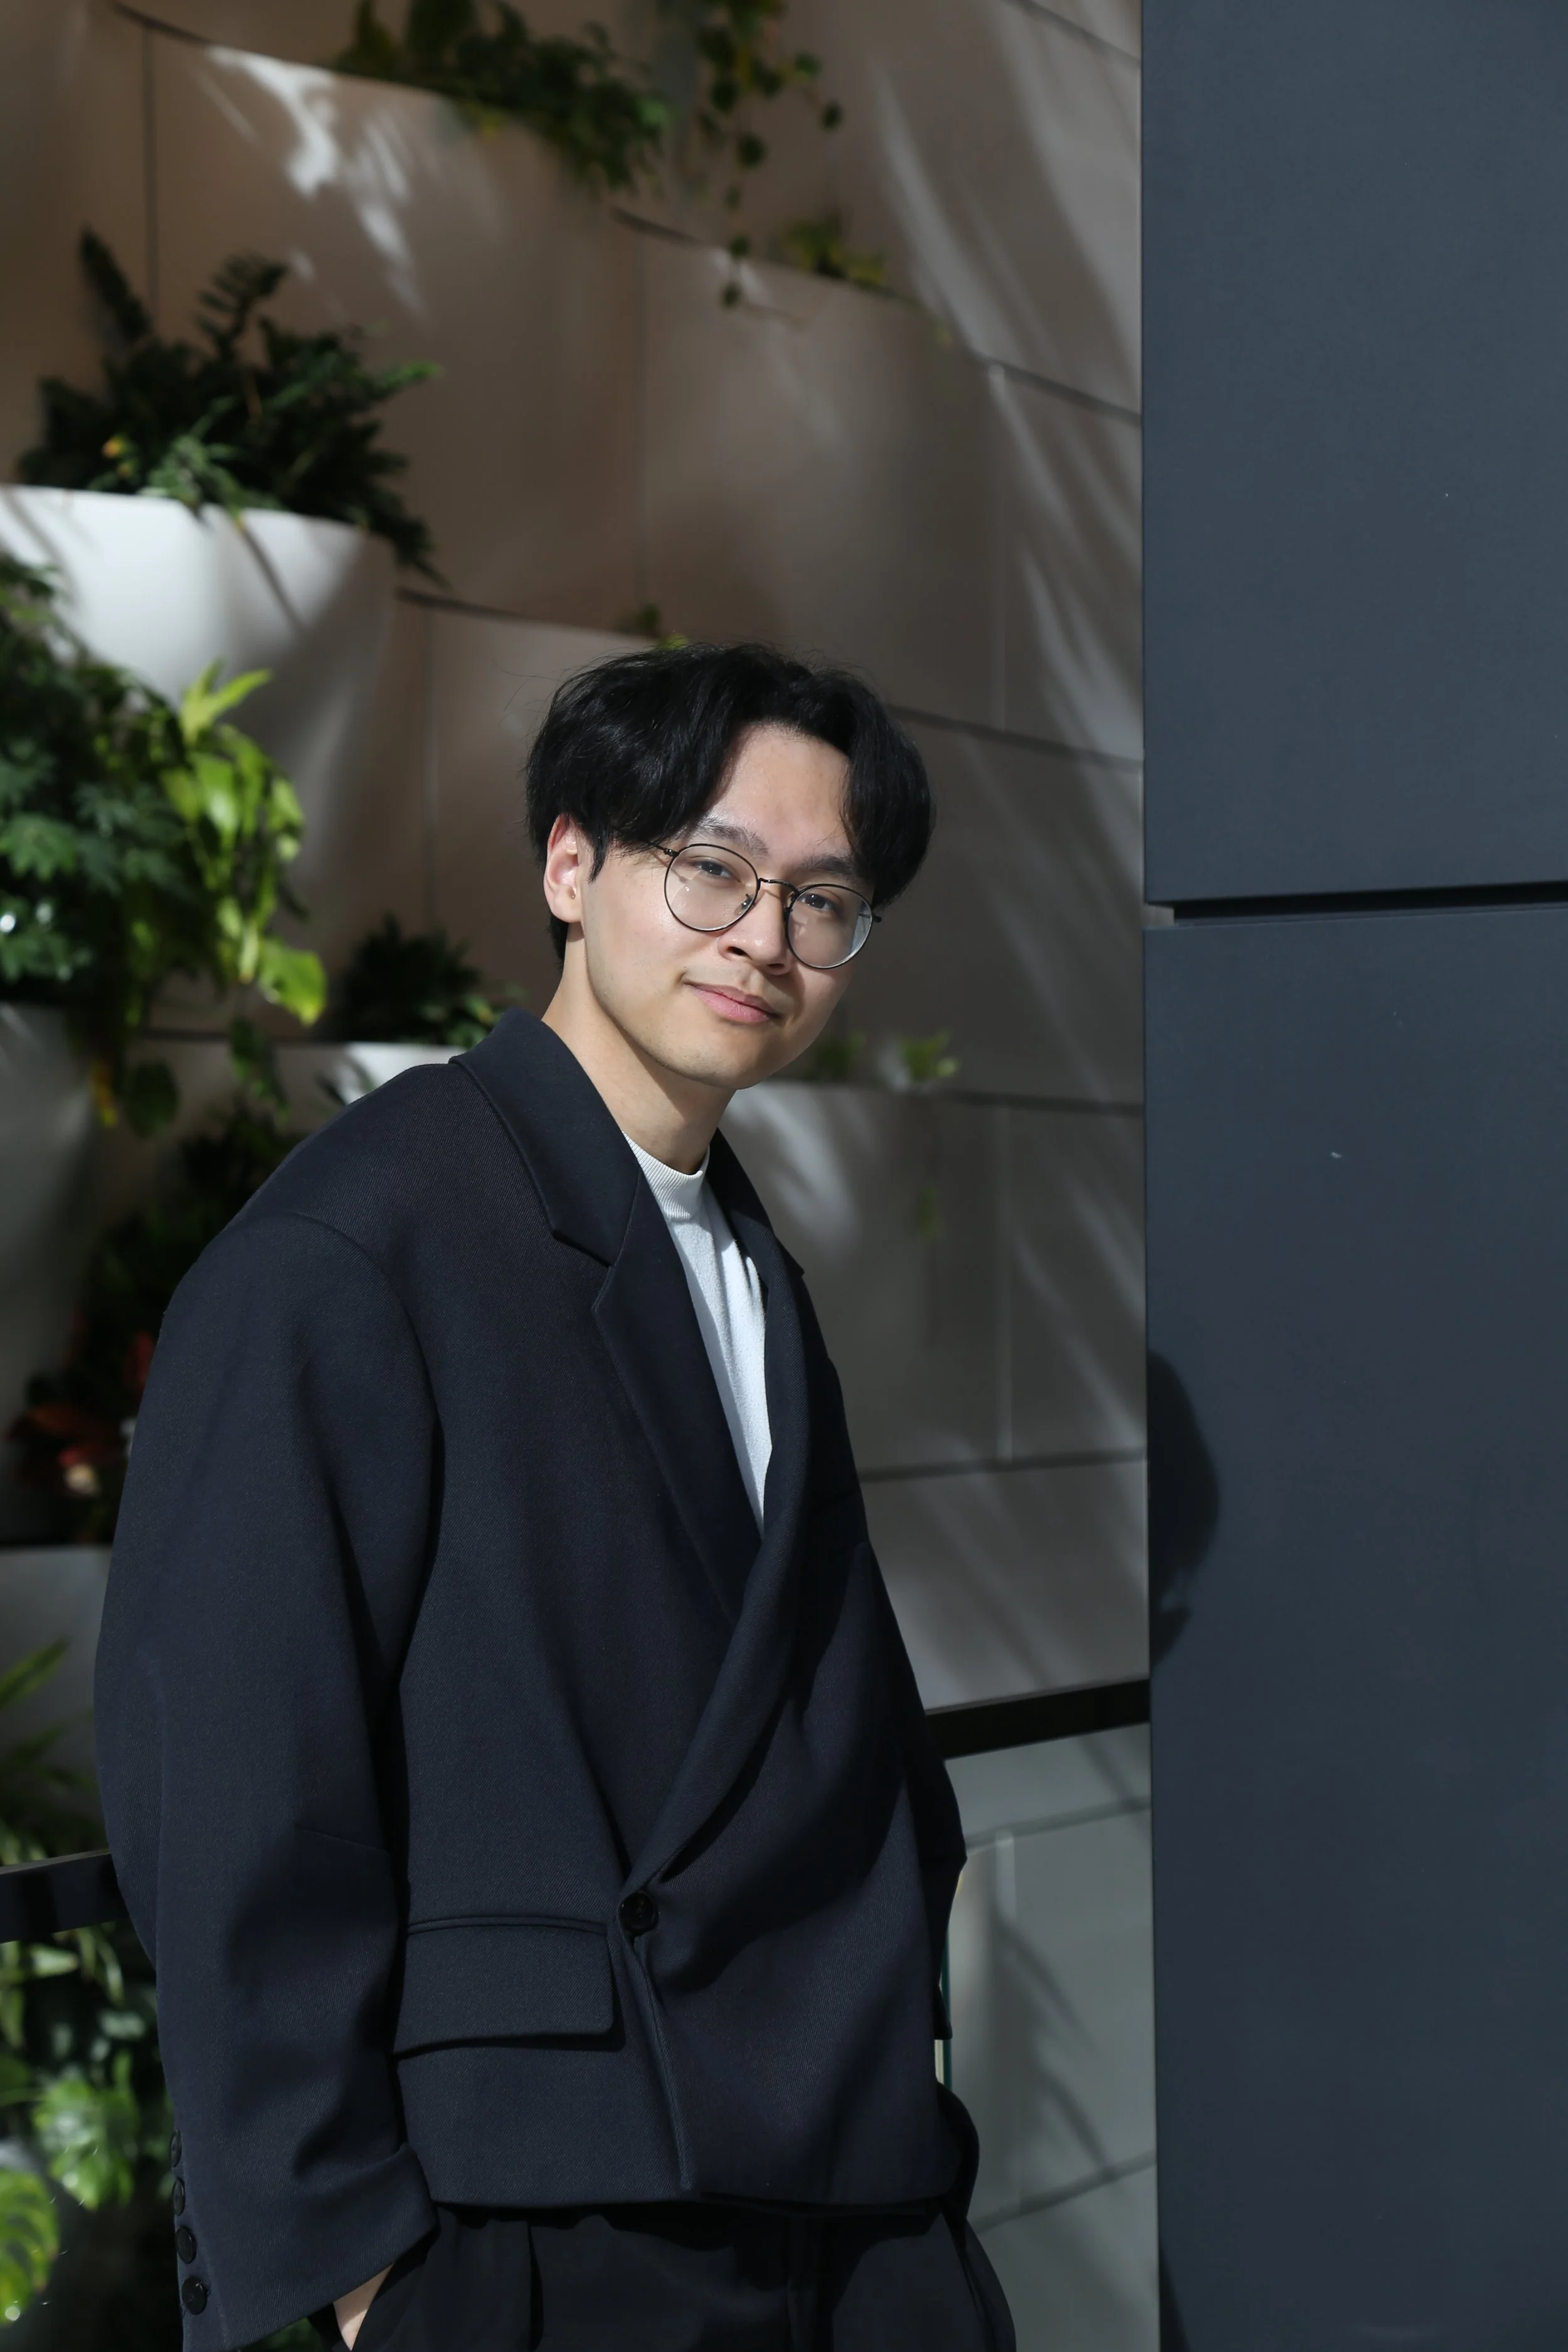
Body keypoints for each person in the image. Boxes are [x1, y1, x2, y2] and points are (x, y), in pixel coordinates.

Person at [95, 643, 1014, 2352]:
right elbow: (227, 1775)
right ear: (571, 864)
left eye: (824, 898)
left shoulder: (744, 1251)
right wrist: (364, 2276)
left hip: (846, 2189)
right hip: (542, 2214)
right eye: (713, 869)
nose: (764, 937)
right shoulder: (354, 1242)